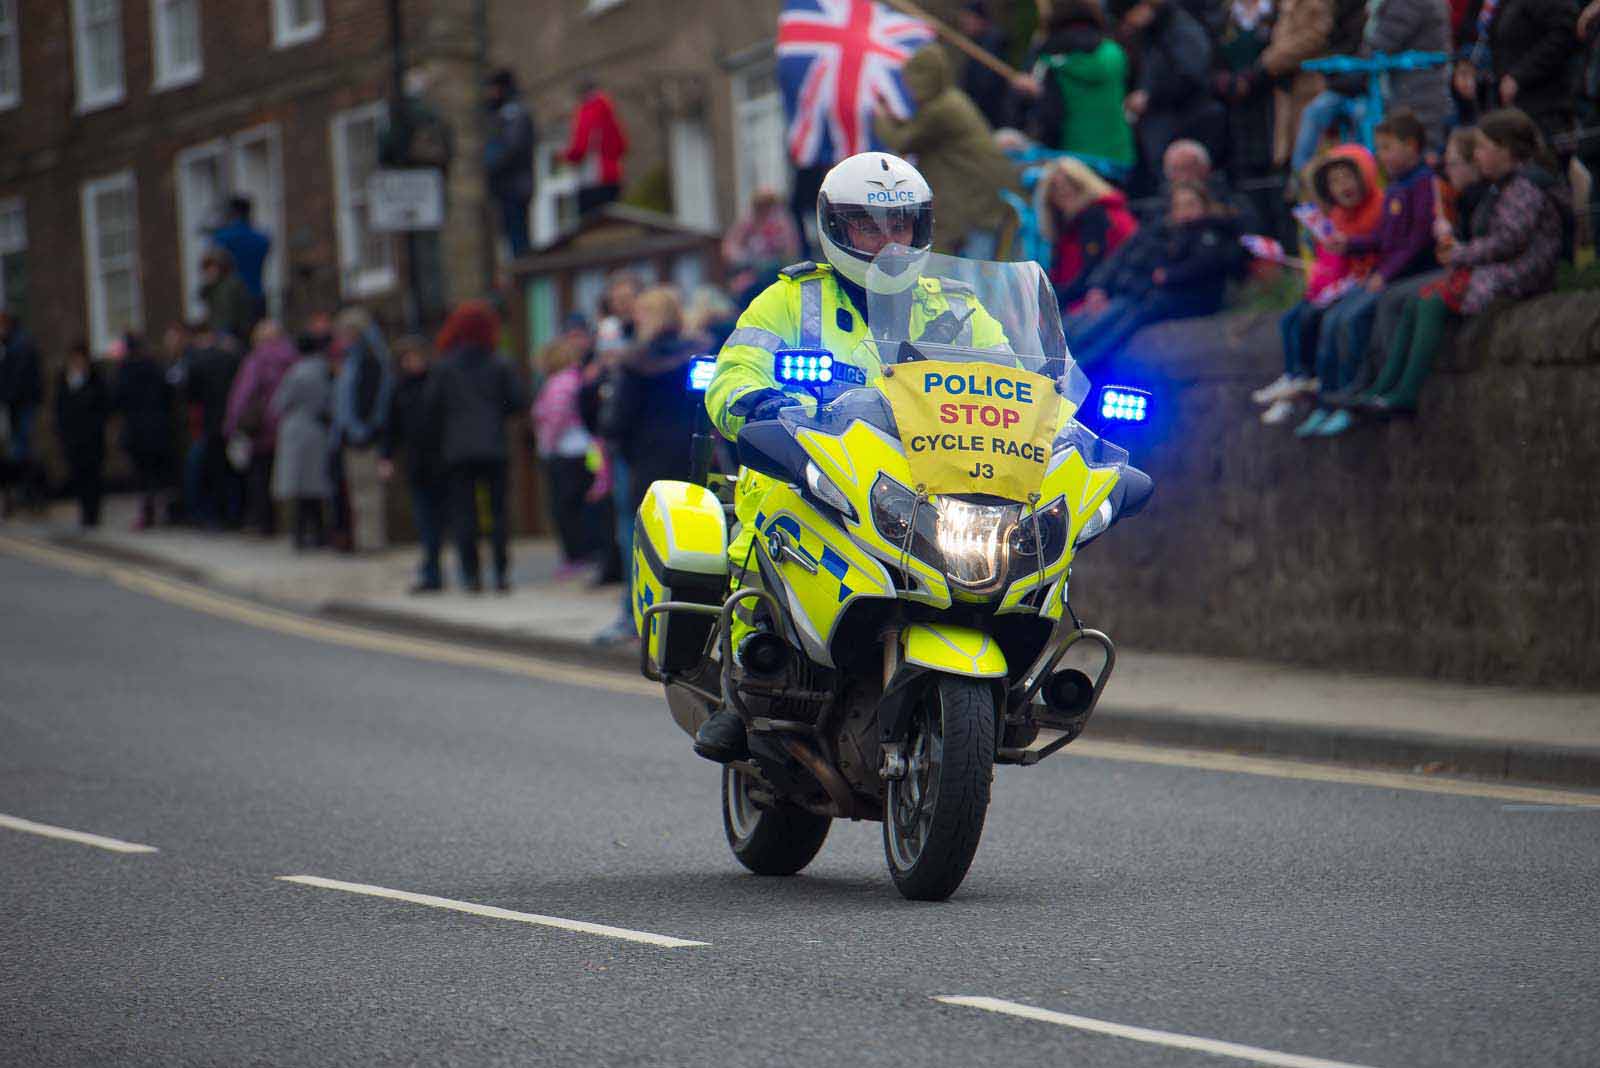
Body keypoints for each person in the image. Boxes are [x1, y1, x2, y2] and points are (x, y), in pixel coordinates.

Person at [698, 150, 1008, 762]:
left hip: (932, 479)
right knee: (769, 526)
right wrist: (754, 402)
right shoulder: (789, 301)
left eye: (903, 225)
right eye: (869, 225)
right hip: (817, 473)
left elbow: (1020, 378)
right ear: (836, 227)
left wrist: (1064, 423)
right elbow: (731, 376)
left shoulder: (956, 305)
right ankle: (748, 681)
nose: (889, 240)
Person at [1357, 109, 1569, 414]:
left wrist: (1459, 254)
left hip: (1522, 271)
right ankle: (1384, 386)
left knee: (1430, 300)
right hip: (1502, 266)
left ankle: (1406, 392)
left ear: (1504, 149)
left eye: (1482, 147)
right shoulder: (1505, 184)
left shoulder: (1525, 186)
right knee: (1421, 299)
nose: (1477, 154)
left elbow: (1508, 241)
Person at [1299, 111, 1439, 436]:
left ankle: (1355, 390)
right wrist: (1349, 245)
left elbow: (1417, 240)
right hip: (1384, 274)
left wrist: (1386, 274)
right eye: (1380, 148)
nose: (1383, 156)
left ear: (1412, 146)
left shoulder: (1422, 184)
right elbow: (1384, 239)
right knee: (1333, 319)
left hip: (1404, 276)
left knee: (1353, 318)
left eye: (1388, 148)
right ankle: (1329, 398)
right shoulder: (1397, 187)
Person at [1253, 144, 1385, 424]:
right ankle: (1297, 380)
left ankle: (1331, 394)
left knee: (1330, 322)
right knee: (1291, 318)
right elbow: (1328, 264)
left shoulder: (1379, 207)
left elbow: (1379, 246)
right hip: (1336, 285)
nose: (1343, 186)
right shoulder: (1334, 216)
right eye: (1334, 181)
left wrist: (1348, 249)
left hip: (1367, 283)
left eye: (1347, 177)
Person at [602, 286, 703, 629]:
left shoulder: (633, 362)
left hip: (646, 463)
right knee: (693, 541)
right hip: (694, 459)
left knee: (640, 541)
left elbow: (616, 420)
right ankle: (688, 618)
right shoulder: (700, 353)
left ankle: (636, 619)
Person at [1063, 182, 1243, 366]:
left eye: (1191, 204)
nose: (1185, 211)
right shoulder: (1166, 231)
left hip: (1169, 297)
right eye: (1180, 206)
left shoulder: (1212, 232)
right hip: (1135, 291)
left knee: (1116, 323)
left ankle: (1080, 366)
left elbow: (1203, 264)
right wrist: (1100, 285)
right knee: (1085, 324)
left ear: (1204, 205)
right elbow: (1124, 257)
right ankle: (1069, 362)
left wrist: (1168, 275)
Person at [872, 43, 1018, 257]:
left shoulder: (942, 109)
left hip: (972, 197)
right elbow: (920, 131)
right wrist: (893, 117)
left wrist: (880, 119)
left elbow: (905, 141)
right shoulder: (949, 100)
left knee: (962, 262)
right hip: (976, 193)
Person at [427, 300, 527, 593]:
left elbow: (432, 407)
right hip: (494, 446)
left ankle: (471, 576)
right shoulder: (500, 363)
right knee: (498, 513)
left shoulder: (444, 366)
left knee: (464, 514)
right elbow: (517, 402)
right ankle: (501, 574)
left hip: (457, 449)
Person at [1114, 0, 1226, 189]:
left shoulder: (1178, 28)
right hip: (1166, 124)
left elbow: (1191, 75)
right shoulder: (1155, 31)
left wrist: (1150, 96)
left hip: (1184, 124)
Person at [1020, 0, 1137, 179]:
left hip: (1070, 158)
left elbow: (1044, 112)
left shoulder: (1048, 60)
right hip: (1116, 155)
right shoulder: (1113, 52)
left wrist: (1029, 94)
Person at [380, 335, 448, 593]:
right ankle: (431, 572)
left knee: (441, 521)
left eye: (416, 357)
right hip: (417, 463)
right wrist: (386, 458)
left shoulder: (438, 383)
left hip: (442, 461)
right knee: (425, 521)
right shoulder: (399, 388)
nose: (412, 363)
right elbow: (391, 427)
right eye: (407, 359)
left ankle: (436, 570)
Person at [1033, 156, 1141, 310]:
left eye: (1071, 184)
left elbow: (1092, 271)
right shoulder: (1073, 225)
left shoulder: (1096, 217)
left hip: (1100, 298)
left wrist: (1053, 303)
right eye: (1055, 188)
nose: (1064, 191)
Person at [532, 333, 599, 580]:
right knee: (580, 504)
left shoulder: (560, 382)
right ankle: (584, 553)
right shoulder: (574, 378)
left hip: (567, 450)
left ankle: (576, 556)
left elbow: (556, 417)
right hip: (579, 449)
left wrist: (547, 445)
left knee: (567, 507)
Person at [223, 320, 299, 536]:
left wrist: (231, 424)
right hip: (288, 425)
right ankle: (292, 525)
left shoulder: (256, 360)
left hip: (262, 429)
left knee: (260, 476)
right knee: (289, 476)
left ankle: (265, 524)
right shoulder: (293, 357)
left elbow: (243, 395)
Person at [331, 307, 394, 552]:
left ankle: (372, 542)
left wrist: (363, 429)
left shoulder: (369, 361)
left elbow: (372, 400)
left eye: (345, 333)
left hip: (363, 437)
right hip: (350, 436)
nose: (342, 339)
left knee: (368, 493)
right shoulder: (353, 360)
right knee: (358, 494)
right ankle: (364, 540)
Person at [271, 324, 335, 550]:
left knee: (298, 489)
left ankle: (299, 536)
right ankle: (319, 535)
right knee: (316, 487)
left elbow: (279, 403)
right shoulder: (325, 370)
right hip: (318, 430)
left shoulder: (295, 372)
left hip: (296, 431)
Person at [181, 321, 243, 528]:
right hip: (232, 421)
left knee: (214, 471)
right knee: (233, 470)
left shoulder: (196, 362)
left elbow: (190, 397)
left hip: (210, 423)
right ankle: (235, 514)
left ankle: (216, 517)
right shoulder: (230, 358)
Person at [113, 333, 176, 530]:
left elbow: (117, 400)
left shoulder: (125, 371)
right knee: (158, 473)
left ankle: (147, 513)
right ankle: (161, 511)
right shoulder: (156, 368)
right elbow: (168, 395)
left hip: (137, 430)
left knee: (142, 475)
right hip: (158, 428)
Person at [54, 341, 109, 529]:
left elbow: (103, 406)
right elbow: (60, 408)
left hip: (92, 437)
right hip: (73, 438)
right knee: (78, 476)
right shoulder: (64, 380)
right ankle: (85, 513)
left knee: (93, 476)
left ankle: (93, 515)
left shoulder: (95, 379)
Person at [483, 68, 536, 258]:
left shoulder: (514, 115)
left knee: (518, 240)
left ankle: (523, 279)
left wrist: (490, 164)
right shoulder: (501, 115)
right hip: (506, 187)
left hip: (514, 187)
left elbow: (512, 148)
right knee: (507, 238)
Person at [723, 188, 802, 307]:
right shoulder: (747, 223)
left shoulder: (782, 223)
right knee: (742, 287)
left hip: (776, 271)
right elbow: (729, 248)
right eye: (761, 205)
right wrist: (746, 258)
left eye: (768, 205)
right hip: (751, 271)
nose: (765, 210)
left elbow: (791, 251)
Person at [563, 80, 629, 216]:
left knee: (591, 228)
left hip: (593, 180)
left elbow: (580, 147)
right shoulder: (609, 111)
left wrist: (567, 156)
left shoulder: (588, 111)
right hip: (613, 177)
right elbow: (622, 145)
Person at [0, 311, 44, 514]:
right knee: (20, 450)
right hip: (18, 406)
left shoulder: (19, 345)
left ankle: (28, 493)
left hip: (20, 406)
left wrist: (8, 398)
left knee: (21, 451)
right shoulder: (15, 344)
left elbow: (17, 380)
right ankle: (25, 494)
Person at [207, 196, 272, 316]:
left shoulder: (222, 237)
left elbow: (213, 260)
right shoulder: (261, 239)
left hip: (231, 300)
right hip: (256, 295)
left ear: (233, 213)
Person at [957, 2, 1013, 131]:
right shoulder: (976, 43)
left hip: (989, 114)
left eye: (968, 18)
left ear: (979, 20)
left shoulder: (992, 44)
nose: (964, 23)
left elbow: (985, 84)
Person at [199, 248, 258, 352]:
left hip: (234, 335)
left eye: (211, 267)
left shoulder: (231, 286)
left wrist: (216, 336)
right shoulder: (212, 288)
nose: (208, 272)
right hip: (221, 333)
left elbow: (229, 316)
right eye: (206, 268)